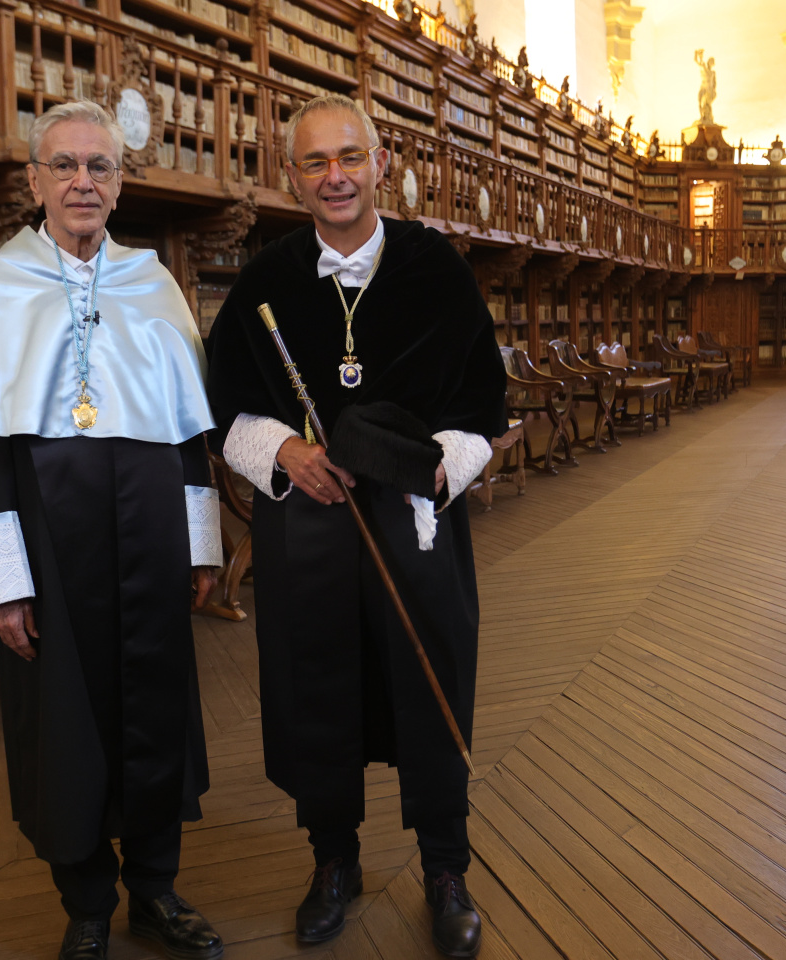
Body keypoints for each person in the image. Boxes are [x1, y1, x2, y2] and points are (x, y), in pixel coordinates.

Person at [0, 100, 225, 960]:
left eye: (100, 166)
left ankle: (155, 891)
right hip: (50, 551)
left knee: (158, 709)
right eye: (65, 165)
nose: (83, 181)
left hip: (154, 541)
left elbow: (190, 437)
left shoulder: (154, 286)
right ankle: (86, 903)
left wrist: (202, 546)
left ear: (120, 185)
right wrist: (2, 585)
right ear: (34, 181)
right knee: (64, 722)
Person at [205, 94, 507, 958]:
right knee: (317, 687)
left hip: (414, 523)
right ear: (291, 176)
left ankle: (445, 868)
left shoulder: (434, 268)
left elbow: (482, 404)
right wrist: (285, 450)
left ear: (382, 164)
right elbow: (224, 405)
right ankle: (332, 860)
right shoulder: (265, 281)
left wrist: (438, 467)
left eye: (349, 157)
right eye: (314, 162)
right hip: (310, 524)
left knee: (430, 677)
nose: (334, 176)